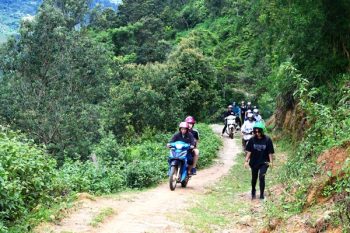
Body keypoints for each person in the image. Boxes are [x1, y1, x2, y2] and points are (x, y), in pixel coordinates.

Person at [244, 122, 275, 200]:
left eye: (259, 131)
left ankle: (261, 194)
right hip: (254, 162)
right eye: (255, 132)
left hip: (264, 162)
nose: (257, 133)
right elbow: (249, 151)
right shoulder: (252, 139)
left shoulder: (267, 140)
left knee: (261, 176)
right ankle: (253, 190)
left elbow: (270, 152)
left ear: (262, 131)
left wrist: (271, 162)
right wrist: (246, 161)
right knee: (254, 177)